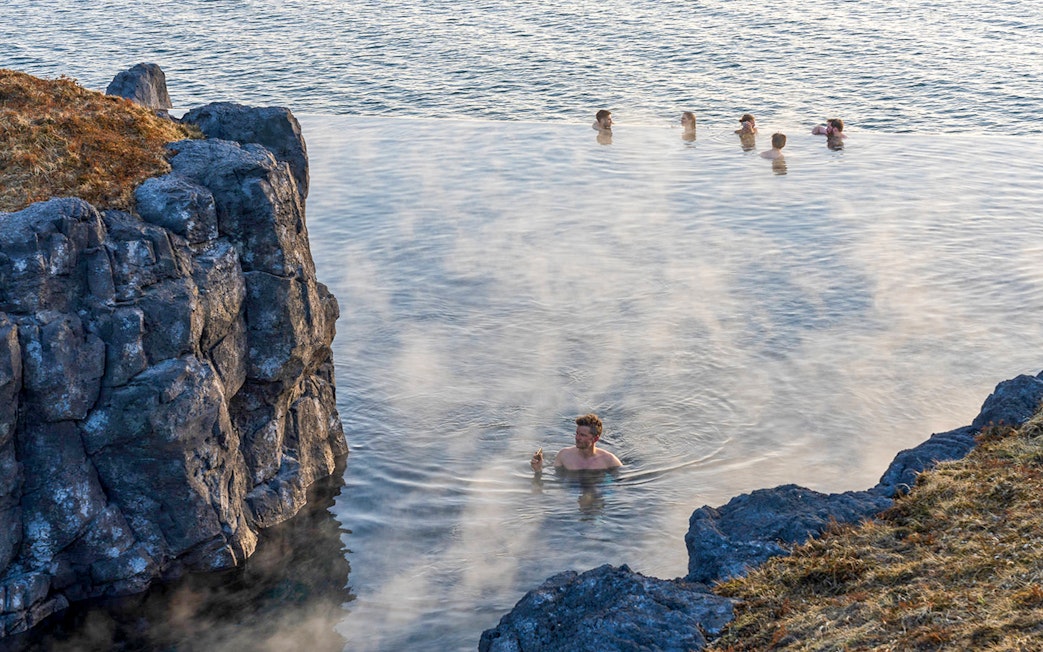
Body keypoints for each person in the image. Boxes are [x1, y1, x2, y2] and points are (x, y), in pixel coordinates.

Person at [530, 413, 622, 472]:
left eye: (583, 435)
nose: (577, 438)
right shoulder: (564, 456)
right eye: (577, 433)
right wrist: (538, 470)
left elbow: (623, 485)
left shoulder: (609, 460)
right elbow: (554, 482)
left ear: (595, 439)